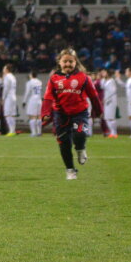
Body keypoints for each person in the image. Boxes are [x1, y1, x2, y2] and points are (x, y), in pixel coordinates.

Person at [41, 49, 103, 180]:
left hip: (79, 113)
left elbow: (94, 96)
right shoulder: (54, 79)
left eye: (71, 61)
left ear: (75, 62)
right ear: (59, 62)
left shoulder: (84, 78)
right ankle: (70, 170)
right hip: (60, 115)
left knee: (79, 133)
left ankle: (80, 149)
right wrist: (45, 112)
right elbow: (48, 97)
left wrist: (98, 111)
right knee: (64, 143)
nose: (68, 64)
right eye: (65, 61)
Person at [98, 68, 119, 138]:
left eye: (104, 72)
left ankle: (114, 133)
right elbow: (101, 86)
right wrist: (102, 78)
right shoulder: (106, 81)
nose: (102, 74)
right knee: (107, 117)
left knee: (111, 117)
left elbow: (112, 92)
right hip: (107, 101)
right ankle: (112, 132)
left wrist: (106, 99)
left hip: (111, 101)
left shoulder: (111, 81)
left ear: (108, 73)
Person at [24, 71, 44, 136]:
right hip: (39, 100)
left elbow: (27, 92)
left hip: (33, 100)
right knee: (39, 116)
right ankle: (39, 132)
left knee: (32, 116)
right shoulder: (39, 82)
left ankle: (33, 133)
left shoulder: (29, 82)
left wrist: (24, 101)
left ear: (31, 75)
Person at [1, 64, 18, 136]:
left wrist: (3, 98)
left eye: (4, 68)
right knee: (12, 114)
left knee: (7, 114)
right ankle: (13, 130)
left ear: (7, 70)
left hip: (9, 97)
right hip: (13, 96)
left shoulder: (7, 77)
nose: (3, 70)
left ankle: (11, 131)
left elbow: (6, 88)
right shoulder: (13, 76)